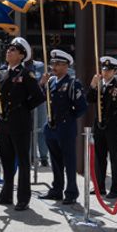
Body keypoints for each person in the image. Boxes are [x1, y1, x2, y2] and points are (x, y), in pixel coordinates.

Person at [0, 37, 45, 212]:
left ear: (21, 55)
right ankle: (6, 194)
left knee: (23, 161)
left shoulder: (26, 74)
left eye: (13, 50)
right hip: (4, 123)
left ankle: (23, 198)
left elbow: (38, 97)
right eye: (8, 49)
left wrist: (23, 108)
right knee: (6, 161)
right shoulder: (3, 73)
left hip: (20, 123)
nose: (8, 52)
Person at [38, 50, 88, 205]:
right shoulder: (51, 82)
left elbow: (82, 107)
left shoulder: (73, 84)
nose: (54, 66)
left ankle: (71, 192)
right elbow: (41, 99)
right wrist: (41, 84)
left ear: (66, 66)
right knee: (55, 161)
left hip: (65, 127)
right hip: (51, 127)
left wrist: (68, 118)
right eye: (53, 63)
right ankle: (57, 189)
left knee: (69, 161)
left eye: (58, 64)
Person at [87, 56, 117, 199]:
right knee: (99, 157)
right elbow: (89, 99)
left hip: (114, 126)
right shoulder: (99, 85)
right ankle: (100, 186)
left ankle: (116, 188)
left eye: (109, 70)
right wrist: (92, 85)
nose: (105, 72)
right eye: (104, 69)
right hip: (99, 126)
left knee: (115, 157)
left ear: (115, 72)